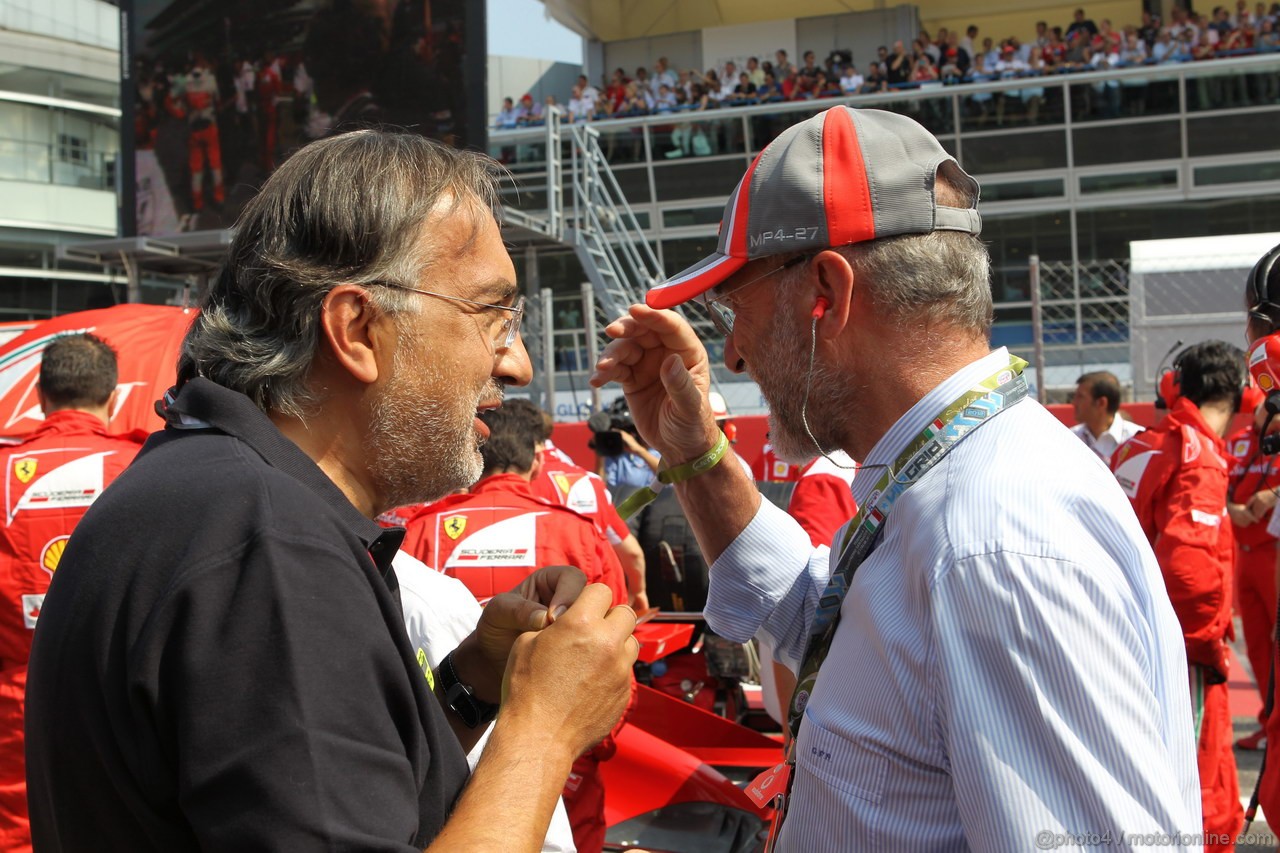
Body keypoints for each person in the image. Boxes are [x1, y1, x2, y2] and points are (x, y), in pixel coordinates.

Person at [590, 105, 1198, 848]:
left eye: (734, 308)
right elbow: (828, 625)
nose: (737, 354)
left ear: (827, 291)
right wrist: (696, 452)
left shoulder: (992, 538)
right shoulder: (951, 479)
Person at [24, 130, 638, 852]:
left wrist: (476, 683)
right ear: (356, 329)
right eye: (493, 318)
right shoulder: (268, 541)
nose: (520, 363)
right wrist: (544, 730)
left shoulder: (216, 493)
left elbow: (330, 788)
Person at [401, 402, 628, 853]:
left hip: (443, 755)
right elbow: (617, 657)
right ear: (538, 460)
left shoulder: (420, 530)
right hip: (562, 754)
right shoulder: (580, 533)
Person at [0, 334, 143, 853]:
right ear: (112, 397)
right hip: (122, 697)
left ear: (39, 396)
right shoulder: (150, 466)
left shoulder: (3, 473)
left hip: (16, 702)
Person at [1110, 341, 1245, 850]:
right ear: (1238, 396)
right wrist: (1208, 646)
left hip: (1126, 637)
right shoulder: (1199, 453)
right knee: (1203, 790)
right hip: (1182, 648)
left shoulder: (1138, 445)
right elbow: (1190, 574)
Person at [392, 550, 576, 853]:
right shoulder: (427, 598)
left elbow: (382, 795)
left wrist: (479, 673)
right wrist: (545, 727)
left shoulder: (393, 578)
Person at [526, 405, 649, 611]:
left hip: (539, 601)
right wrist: (638, 591)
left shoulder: (519, 482)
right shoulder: (588, 481)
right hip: (596, 602)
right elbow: (632, 553)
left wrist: (638, 450)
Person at [1225, 398, 1280, 751]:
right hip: (1245, 555)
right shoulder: (1240, 440)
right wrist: (1232, 509)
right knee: (1258, 646)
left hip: (1274, 555)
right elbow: (1218, 481)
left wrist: (1273, 494)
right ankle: (1269, 722)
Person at [1070, 370, 1144, 461]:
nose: (1074, 403)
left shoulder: (1138, 440)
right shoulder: (1069, 439)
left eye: (1080, 397)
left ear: (1101, 403)